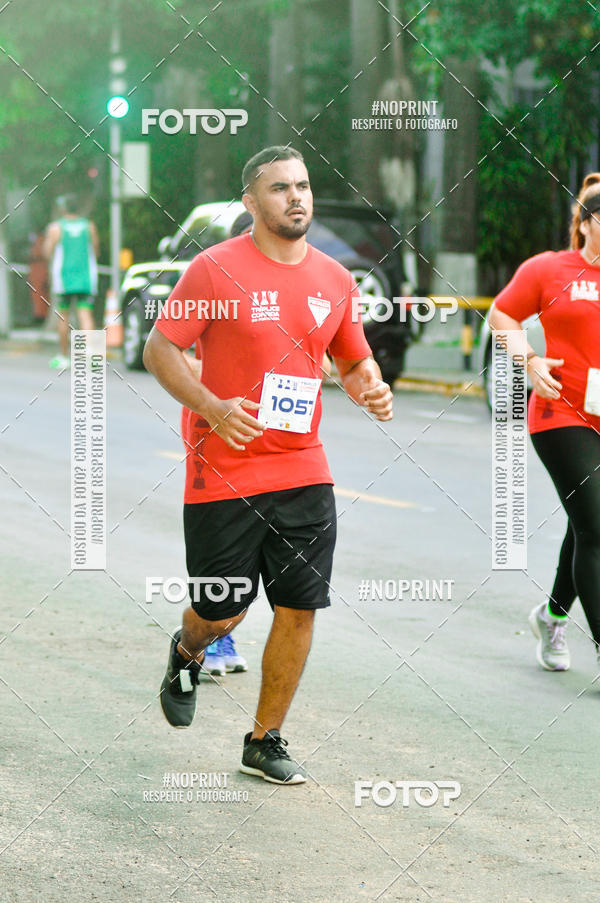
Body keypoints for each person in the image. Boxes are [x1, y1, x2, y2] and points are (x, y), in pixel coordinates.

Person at [143, 145, 393, 784]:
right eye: (280, 188)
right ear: (252, 202)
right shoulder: (213, 270)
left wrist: (370, 384)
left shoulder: (336, 280)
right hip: (222, 468)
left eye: (303, 186)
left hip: (304, 467)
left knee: (300, 604)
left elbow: (352, 358)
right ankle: (187, 649)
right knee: (222, 608)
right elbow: (160, 350)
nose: (296, 198)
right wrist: (212, 405)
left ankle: (265, 739)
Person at [490, 172, 600, 672]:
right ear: (586, 224)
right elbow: (503, 315)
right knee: (597, 526)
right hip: (562, 412)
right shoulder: (550, 270)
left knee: (587, 525)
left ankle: (553, 615)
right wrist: (529, 361)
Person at [43, 194, 99, 369]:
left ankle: (64, 357)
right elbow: (96, 250)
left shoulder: (55, 228)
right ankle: (90, 355)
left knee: (63, 316)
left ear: (63, 208)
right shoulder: (88, 226)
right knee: (85, 315)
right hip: (86, 278)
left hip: (64, 279)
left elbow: (47, 252)